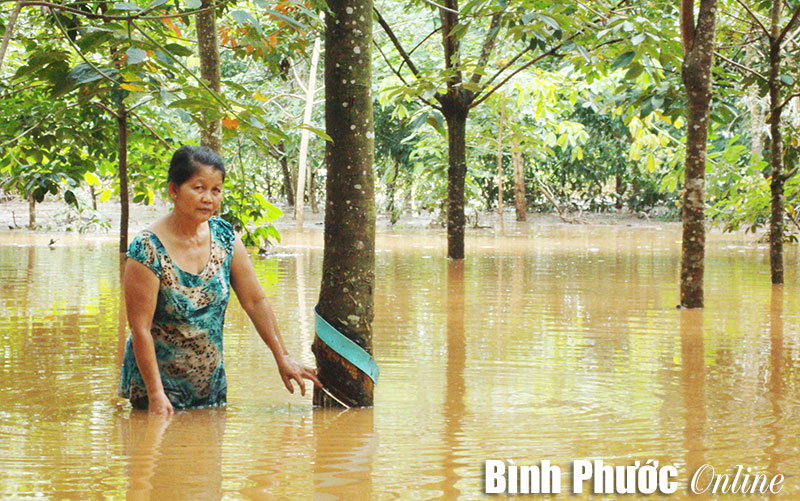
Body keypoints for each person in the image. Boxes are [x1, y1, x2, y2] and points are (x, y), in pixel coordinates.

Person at [118, 145, 320, 414]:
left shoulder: (225, 238)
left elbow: (255, 301)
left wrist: (281, 356)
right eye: (198, 188)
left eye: (216, 190)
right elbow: (140, 329)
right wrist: (155, 394)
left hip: (210, 385)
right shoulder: (147, 249)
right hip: (156, 389)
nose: (208, 199)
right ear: (174, 190)